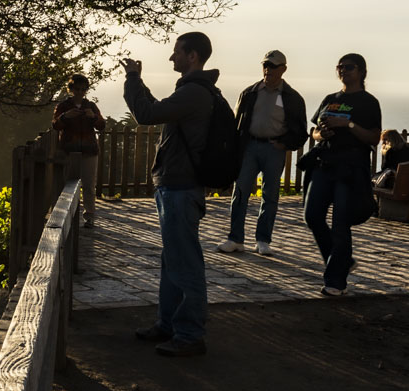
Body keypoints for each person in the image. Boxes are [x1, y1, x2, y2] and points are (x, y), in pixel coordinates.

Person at [122, 32, 219, 357]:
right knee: (172, 261)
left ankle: (190, 334)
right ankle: (168, 324)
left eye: (176, 52)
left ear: (192, 56)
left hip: (181, 188)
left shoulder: (194, 93)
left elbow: (147, 114)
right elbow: (157, 110)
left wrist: (133, 79)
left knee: (185, 262)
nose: (171, 57)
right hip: (174, 186)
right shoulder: (193, 92)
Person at [303, 54, 382, 297]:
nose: (343, 71)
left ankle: (335, 281)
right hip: (325, 163)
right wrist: (321, 134)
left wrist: (346, 125)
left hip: (349, 167)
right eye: (339, 67)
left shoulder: (368, 102)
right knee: (312, 216)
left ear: (361, 71)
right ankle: (341, 260)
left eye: (348, 67)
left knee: (340, 223)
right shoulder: (330, 99)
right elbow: (315, 130)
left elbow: (374, 138)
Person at [217, 49, 307, 257]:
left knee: (270, 196)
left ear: (283, 69)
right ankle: (235, 238)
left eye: (274, 66)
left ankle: (263, 240)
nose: (268, 70)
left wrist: (284, 144)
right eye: (266, 65)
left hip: (274, 150)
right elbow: (236, 122)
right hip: (249, 147)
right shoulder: (249, 93)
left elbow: (300, 131)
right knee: (240, 192)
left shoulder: (292, 98)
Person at [52, 74, 107, 227]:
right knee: (68, 186)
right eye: (77, 89)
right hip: (69, 151)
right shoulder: (63, 106)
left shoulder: (91, 106)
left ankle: (89, 217)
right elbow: (55, 125)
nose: (80, 92)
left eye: (83, 89)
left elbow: (101, 126)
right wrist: (65, 116)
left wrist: (93, 117)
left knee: (89, 186)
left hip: (89, 151)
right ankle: (67, 217)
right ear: (71, 89)